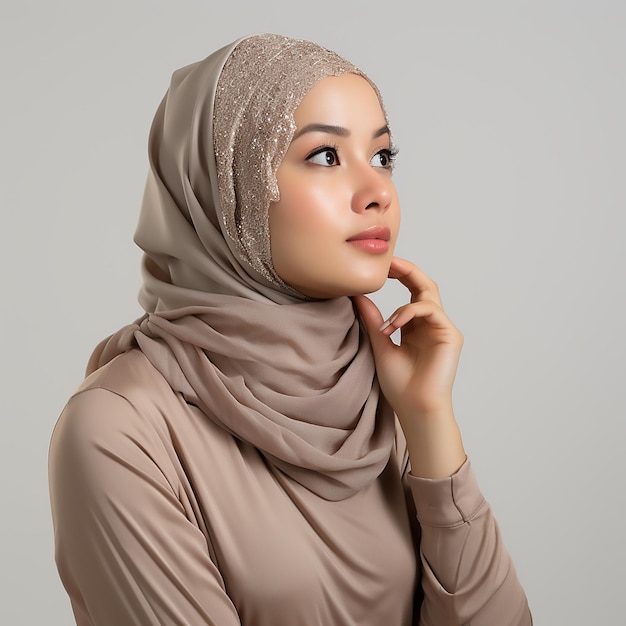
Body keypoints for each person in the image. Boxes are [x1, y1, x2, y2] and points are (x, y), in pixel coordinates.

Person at [48, 33, 532, 625]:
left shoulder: (379, 382)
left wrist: (430, 421)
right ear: (227, 190)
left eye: (382, 156)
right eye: (325, 156)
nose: (378, 192)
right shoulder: (120, 427)